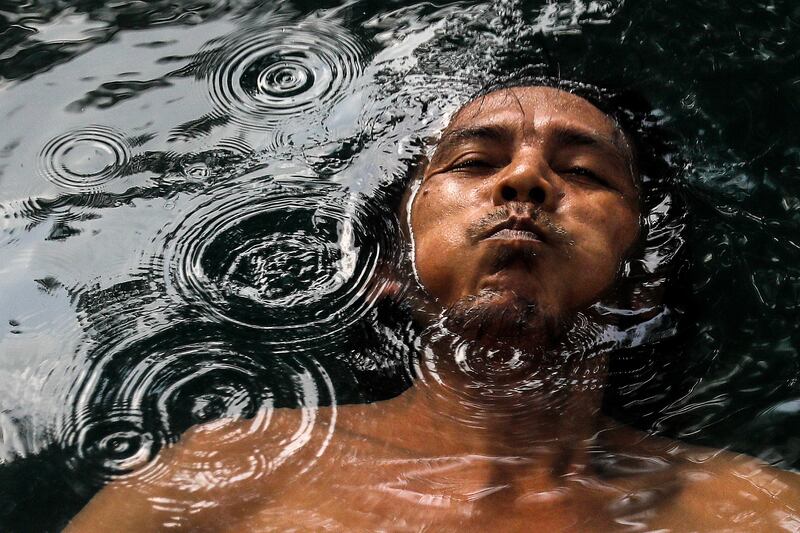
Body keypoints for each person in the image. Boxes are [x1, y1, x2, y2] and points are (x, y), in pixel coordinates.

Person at [67, 80, 800, 531]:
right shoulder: (233, 471)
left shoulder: (756, 511)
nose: (525, 179)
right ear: (388, 267)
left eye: (581, 171)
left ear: (644, 280)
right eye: (475, 161)